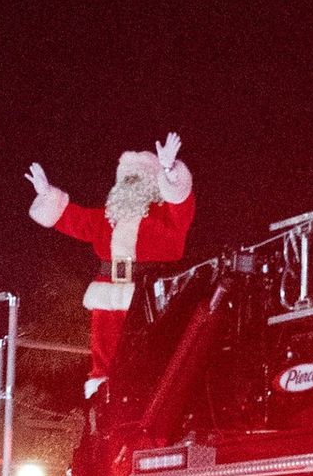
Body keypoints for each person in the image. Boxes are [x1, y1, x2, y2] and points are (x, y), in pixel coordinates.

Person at [25, 132, 195, 397]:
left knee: (148, 357)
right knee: (104, 360)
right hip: (107, 292)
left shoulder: (166, 218)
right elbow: (74, 219)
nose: (130, 185)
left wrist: (170, 170)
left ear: (152, 183)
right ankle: (101, 396)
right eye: (126, 179)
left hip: (146, 294)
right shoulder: (108, 219)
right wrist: (47, 194)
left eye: (137, 179)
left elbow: (181, 203)